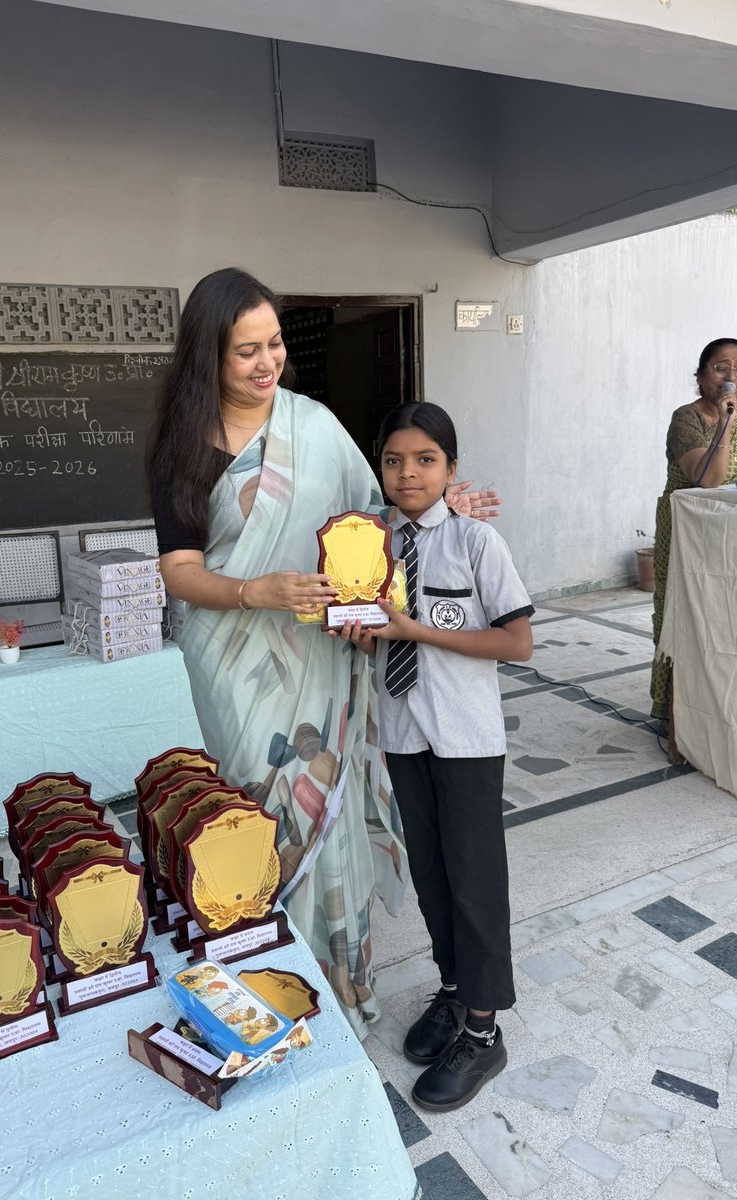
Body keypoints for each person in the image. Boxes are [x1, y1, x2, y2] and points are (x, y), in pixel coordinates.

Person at [147, 267, 499, 1037]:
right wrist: (255, 593)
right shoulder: (181, 446)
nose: (267, 362)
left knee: (328, 808)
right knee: (263, 812)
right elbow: (180, 571)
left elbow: (363, 521)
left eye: (273, 344)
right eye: (246, 351)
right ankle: (270, 978)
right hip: (238, 663)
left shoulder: (312, 423)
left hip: (323, 655)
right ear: (207, 355)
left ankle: (338, 987)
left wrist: (436, 506)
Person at [333, 402, 533, 1112]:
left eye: (425, 460)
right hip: (403, 733)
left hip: (465, 740)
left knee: (476, 882)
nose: (408, 473)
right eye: (393, 460)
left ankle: (483, 1033)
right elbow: (365, 625)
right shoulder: (369, 543)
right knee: (432, 875)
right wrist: (364, 634)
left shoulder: (476, 544)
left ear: (451, 470)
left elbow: (516, 642)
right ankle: (454, 991)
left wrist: (416, 629)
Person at [651, 339, 737, 723]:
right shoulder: (686, 419)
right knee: (687, 616)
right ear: (700, 376)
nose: (732, 376)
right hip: (691, 533)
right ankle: (678, 711)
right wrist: (726, 423)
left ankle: (731, 703)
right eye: (720, 367)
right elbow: (708, 479)